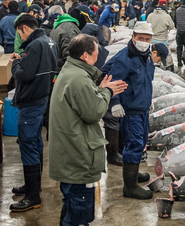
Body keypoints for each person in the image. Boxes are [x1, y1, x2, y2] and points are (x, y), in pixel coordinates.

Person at [49, 34, 127, 225]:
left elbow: (84, 103)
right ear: (85, 56)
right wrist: (107, 91)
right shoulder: (79, 80)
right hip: (78, 159)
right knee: (77, 215)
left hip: (69, 154)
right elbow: (94, 112)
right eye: (96, 52)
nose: (98, 56)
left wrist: (99, 90)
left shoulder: (72, 72)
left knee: (70, 207)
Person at [101, 22, 165, 200]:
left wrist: (148, 100)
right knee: (134, 144)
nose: (144, 41)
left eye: (147, 39)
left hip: (142, 108)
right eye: (141, 38)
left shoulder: (146, 57)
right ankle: (129, 186)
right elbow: (110, 78)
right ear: (133, 37)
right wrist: (114, 102)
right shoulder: (125, 58)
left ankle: (133, 172)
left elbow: (144, 81)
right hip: (130, 110)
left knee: (141, 141)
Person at [9, 14, 58, 212]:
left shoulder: (34, 45)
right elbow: (39, 68)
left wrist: (15, 63)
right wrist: (24, 60)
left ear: (24, 28)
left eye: (19, 33)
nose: (19, 37)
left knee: (28, 144)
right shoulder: (48, 41)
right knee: (35, 142)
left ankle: (32, 197)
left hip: (30, 102)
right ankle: (33, 186)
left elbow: (23, 74)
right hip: (42, 99)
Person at [147, 0, 175, 71]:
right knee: (168, 61)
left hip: (152, 41)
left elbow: (147, 26)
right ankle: (169, 74)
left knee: (154, 60)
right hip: (163, 41)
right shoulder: (167, 16)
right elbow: (172, 26)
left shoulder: (150, 15)